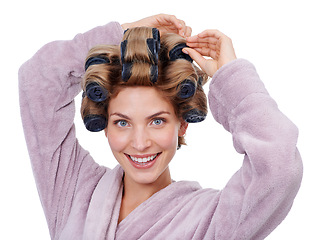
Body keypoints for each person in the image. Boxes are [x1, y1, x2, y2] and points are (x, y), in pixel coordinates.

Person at [19, 14, 302, 239]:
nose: (140, 143)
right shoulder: (74, 192)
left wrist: (230, 77)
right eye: (122, 122)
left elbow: (279, 165)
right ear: (105, 125)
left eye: (157, 121)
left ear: (182, 125)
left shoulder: (211, 221)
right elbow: (37, 79)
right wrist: (124, 33)